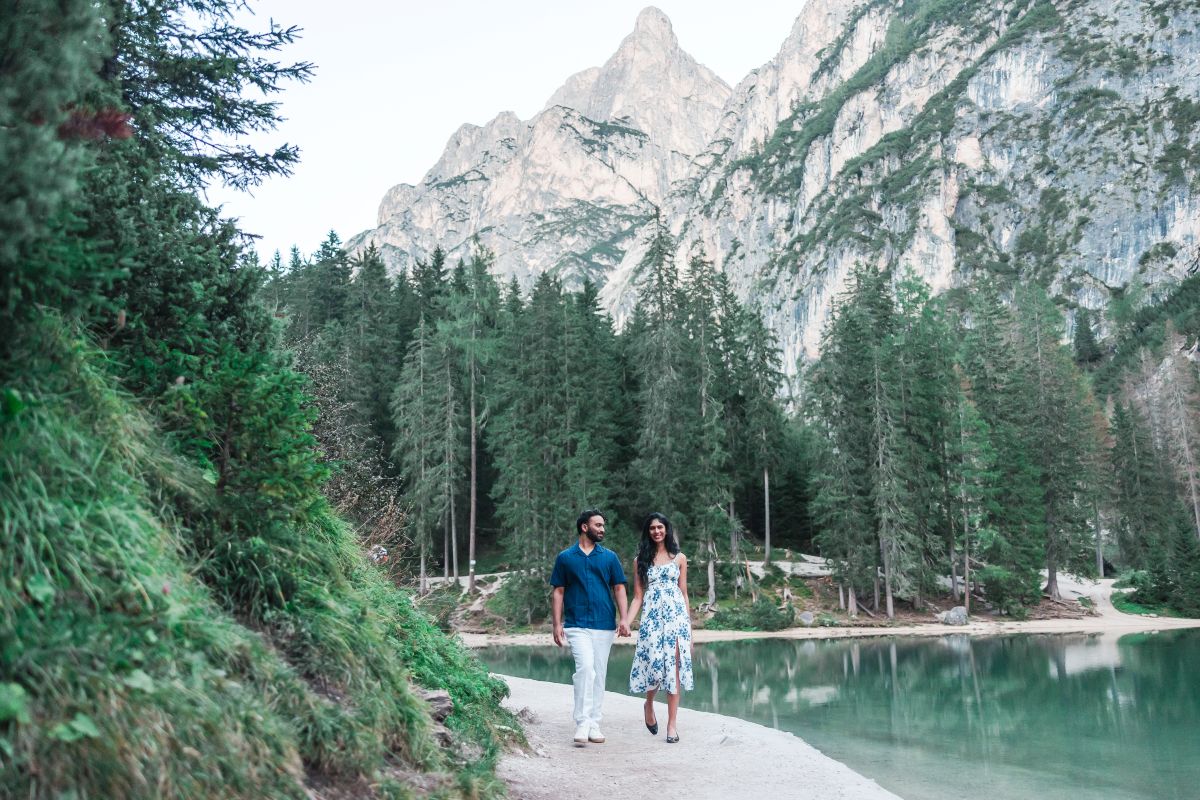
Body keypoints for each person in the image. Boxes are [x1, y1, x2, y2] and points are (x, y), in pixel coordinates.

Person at [550, 509, 630, 746]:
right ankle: (582, 722)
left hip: (604, 624)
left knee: (599, 673)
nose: (602, 529)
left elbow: (619, 589)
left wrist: (624, 619)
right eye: (598, 525)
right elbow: (558, 591)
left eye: (603, 525)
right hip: (576, 624)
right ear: (584, 527)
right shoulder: (565, 558)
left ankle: (595, 722)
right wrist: (556, 623)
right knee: (585, 668)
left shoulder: (610, 558)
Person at [623, 512, 693, 743]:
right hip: (652, 620)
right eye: (652, 528)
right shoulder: (640, 560)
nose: (657, 531)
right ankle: (649, 704)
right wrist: (626, 621)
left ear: (666, 529)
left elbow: (683, 594)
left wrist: (689, 632)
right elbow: (637, 597)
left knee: (673, 669)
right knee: (654, 667)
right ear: (648, 532)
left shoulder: (679, 558)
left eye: (660, 527)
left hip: (676, 621)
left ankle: (672, 726)